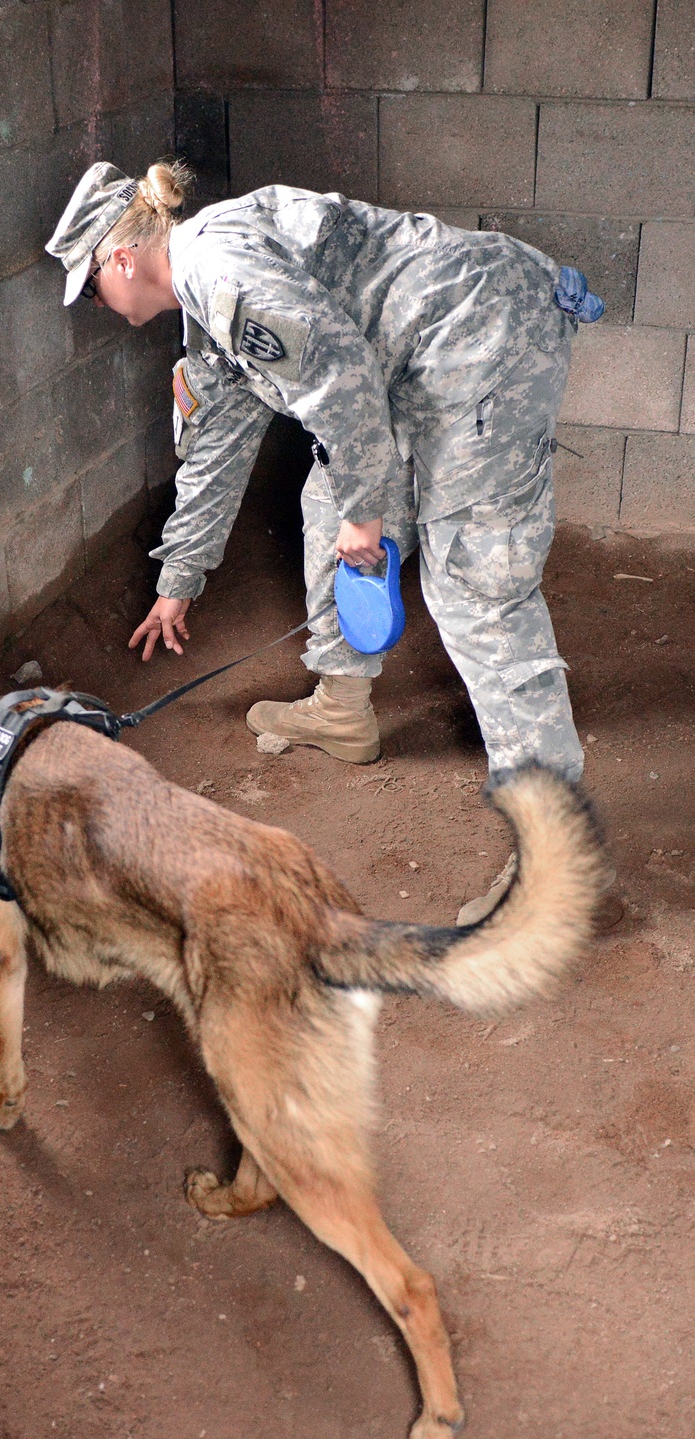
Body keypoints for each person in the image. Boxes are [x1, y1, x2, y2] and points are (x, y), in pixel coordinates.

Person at [45, 160, 612, 924]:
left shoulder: (222, 273)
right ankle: (344, 705)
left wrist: (368, 510)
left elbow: (341, 381)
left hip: (483, 330)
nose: (100, 306)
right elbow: (217, 437)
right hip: (415, 355)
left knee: (477, 587)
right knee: (328, 499)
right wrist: (180, 576)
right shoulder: (206, 308)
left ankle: (560, 865)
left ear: (122, 257)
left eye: (92, 288)